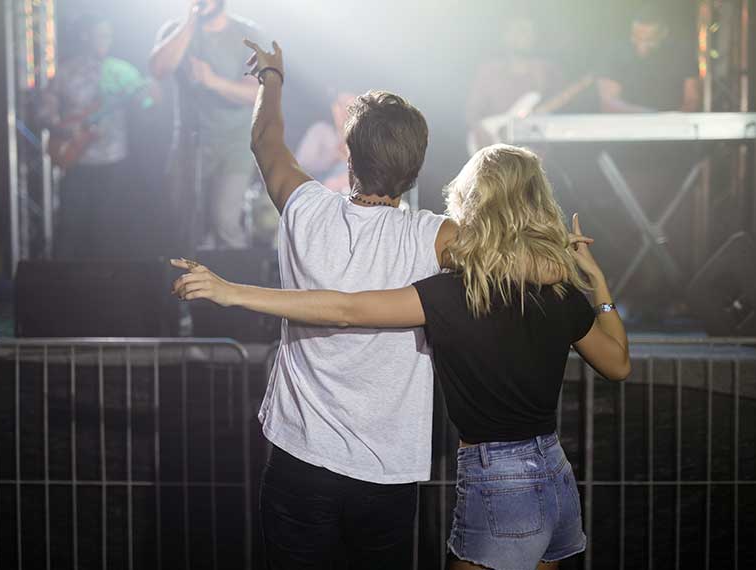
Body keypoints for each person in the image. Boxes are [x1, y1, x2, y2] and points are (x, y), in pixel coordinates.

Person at [173, 144, 632, 570]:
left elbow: (345, 308)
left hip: (500, 486)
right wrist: (596, 282)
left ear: (474, 200)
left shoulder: (458, 295)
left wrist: (231, 293)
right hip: (555, 479)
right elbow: (618, 364)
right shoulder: (561, 291)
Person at [199, 39, 457, 567]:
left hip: (301, 460)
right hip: (387, 472)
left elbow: (265, 140)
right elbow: (513, 249)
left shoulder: (305, 208)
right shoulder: (438, 238)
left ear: (348, 153)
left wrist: (272, 78)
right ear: (415, 167)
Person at [150, 0, 262, 251]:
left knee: (224, 220)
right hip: (190, 143)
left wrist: (213, 81)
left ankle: (239, 282)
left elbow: (257, 93)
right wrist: (190, 22)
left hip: (235, 144)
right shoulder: (177, 31)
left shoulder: (248, 34)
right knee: (186, 223)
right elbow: (158, 69)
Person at [39, 15, 148, 259]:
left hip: (114, 160)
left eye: (108, 36)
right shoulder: (66, 72)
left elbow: (146, 103)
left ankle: (109, 287)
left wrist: (149, 94)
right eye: (100, 35)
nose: (104, 41)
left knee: (109, 231)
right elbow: (44, 111)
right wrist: (67, 130)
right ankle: (64, 284)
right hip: (77, 160)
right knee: (70, 228)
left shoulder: (122, 71)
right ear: (85, 36)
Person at [465, 14, 562, 153]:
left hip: (534, 154)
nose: (524, 35)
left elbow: (558, 108)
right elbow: (472, 111)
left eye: (528, 31)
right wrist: (479, 130)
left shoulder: (546, 70)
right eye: (518, 30)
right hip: (495, 156)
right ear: (505, 36)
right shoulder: (489, 71)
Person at [598, 4, 700, 113]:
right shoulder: (615, 54)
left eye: (649, 40)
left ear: (663, 34)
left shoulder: (682, 55)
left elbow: (692, 100)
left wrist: (670, 121)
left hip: (670, 125)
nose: (641, 44)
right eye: (636, 37)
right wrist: (651, 117)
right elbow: (608, 103)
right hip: (625, 125)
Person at [294, 91, 356, 195]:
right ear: (335, 108)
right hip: (314, 193)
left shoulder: (366, 142)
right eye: (342, 105)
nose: (345, 112)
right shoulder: (321, 131)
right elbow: (300, 167)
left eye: (352, 107)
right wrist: (334, 155)